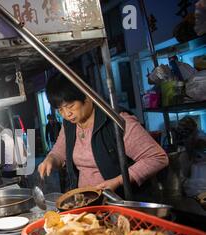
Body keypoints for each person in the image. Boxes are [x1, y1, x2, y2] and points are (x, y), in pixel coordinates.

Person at [38, 74, 169, 197]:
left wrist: (117, 181)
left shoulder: (117, 121)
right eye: (60, 109)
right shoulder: (69, 125)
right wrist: (50, 159)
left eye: (71, 106)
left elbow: (157, 158)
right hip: (87, 203)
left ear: (87, 95)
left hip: (118, 201)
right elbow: (59, 152)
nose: (67, 114)